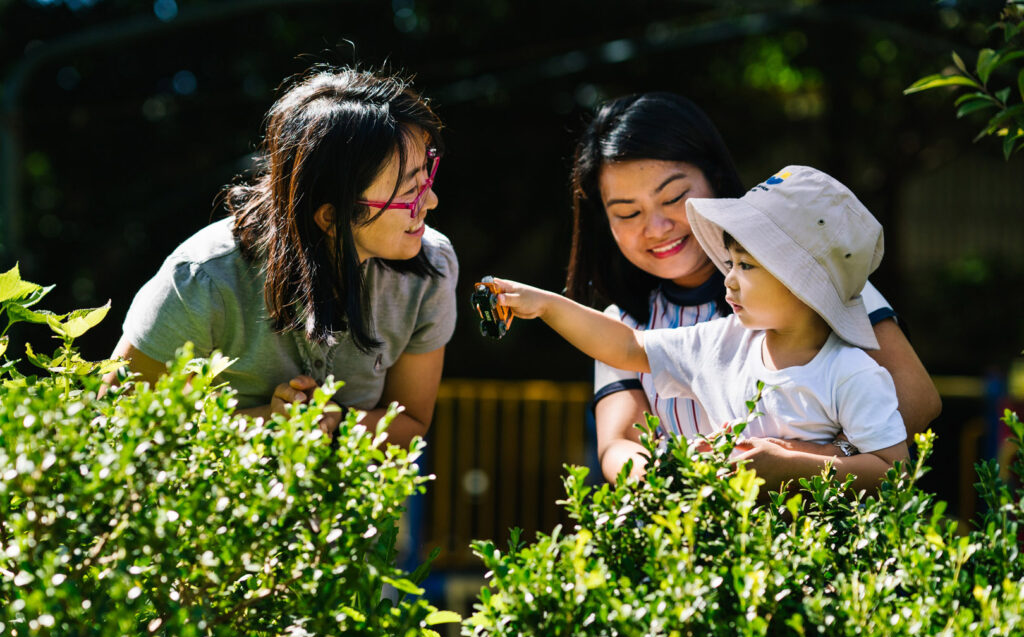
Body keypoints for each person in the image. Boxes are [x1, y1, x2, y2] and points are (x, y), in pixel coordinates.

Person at [563, 92, 940, 483]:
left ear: (715, 178)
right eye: (627, 213)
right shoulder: (619, 324)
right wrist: (682, 481)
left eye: (674, 197)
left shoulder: (812, 276)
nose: (656, 227)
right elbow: (619, 441)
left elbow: (915, 395)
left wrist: (819, 457)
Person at [493, 165, 908, 492]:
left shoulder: (852, 372)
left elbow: (893, 470)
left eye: (746, 266)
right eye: (731, 263)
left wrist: (793, 468)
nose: (728, 278)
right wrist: (544, 304)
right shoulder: (722, 342)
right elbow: (627, 343)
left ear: (804, 282)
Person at [107, 66, 458, 448]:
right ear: (331, 217)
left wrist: (337, 422)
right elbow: (118, 422)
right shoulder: (202, 280)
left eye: (427, 174)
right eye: (409, 192)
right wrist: (267, 424)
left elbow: (411, 421)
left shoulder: (431, 267)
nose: (431, 201)